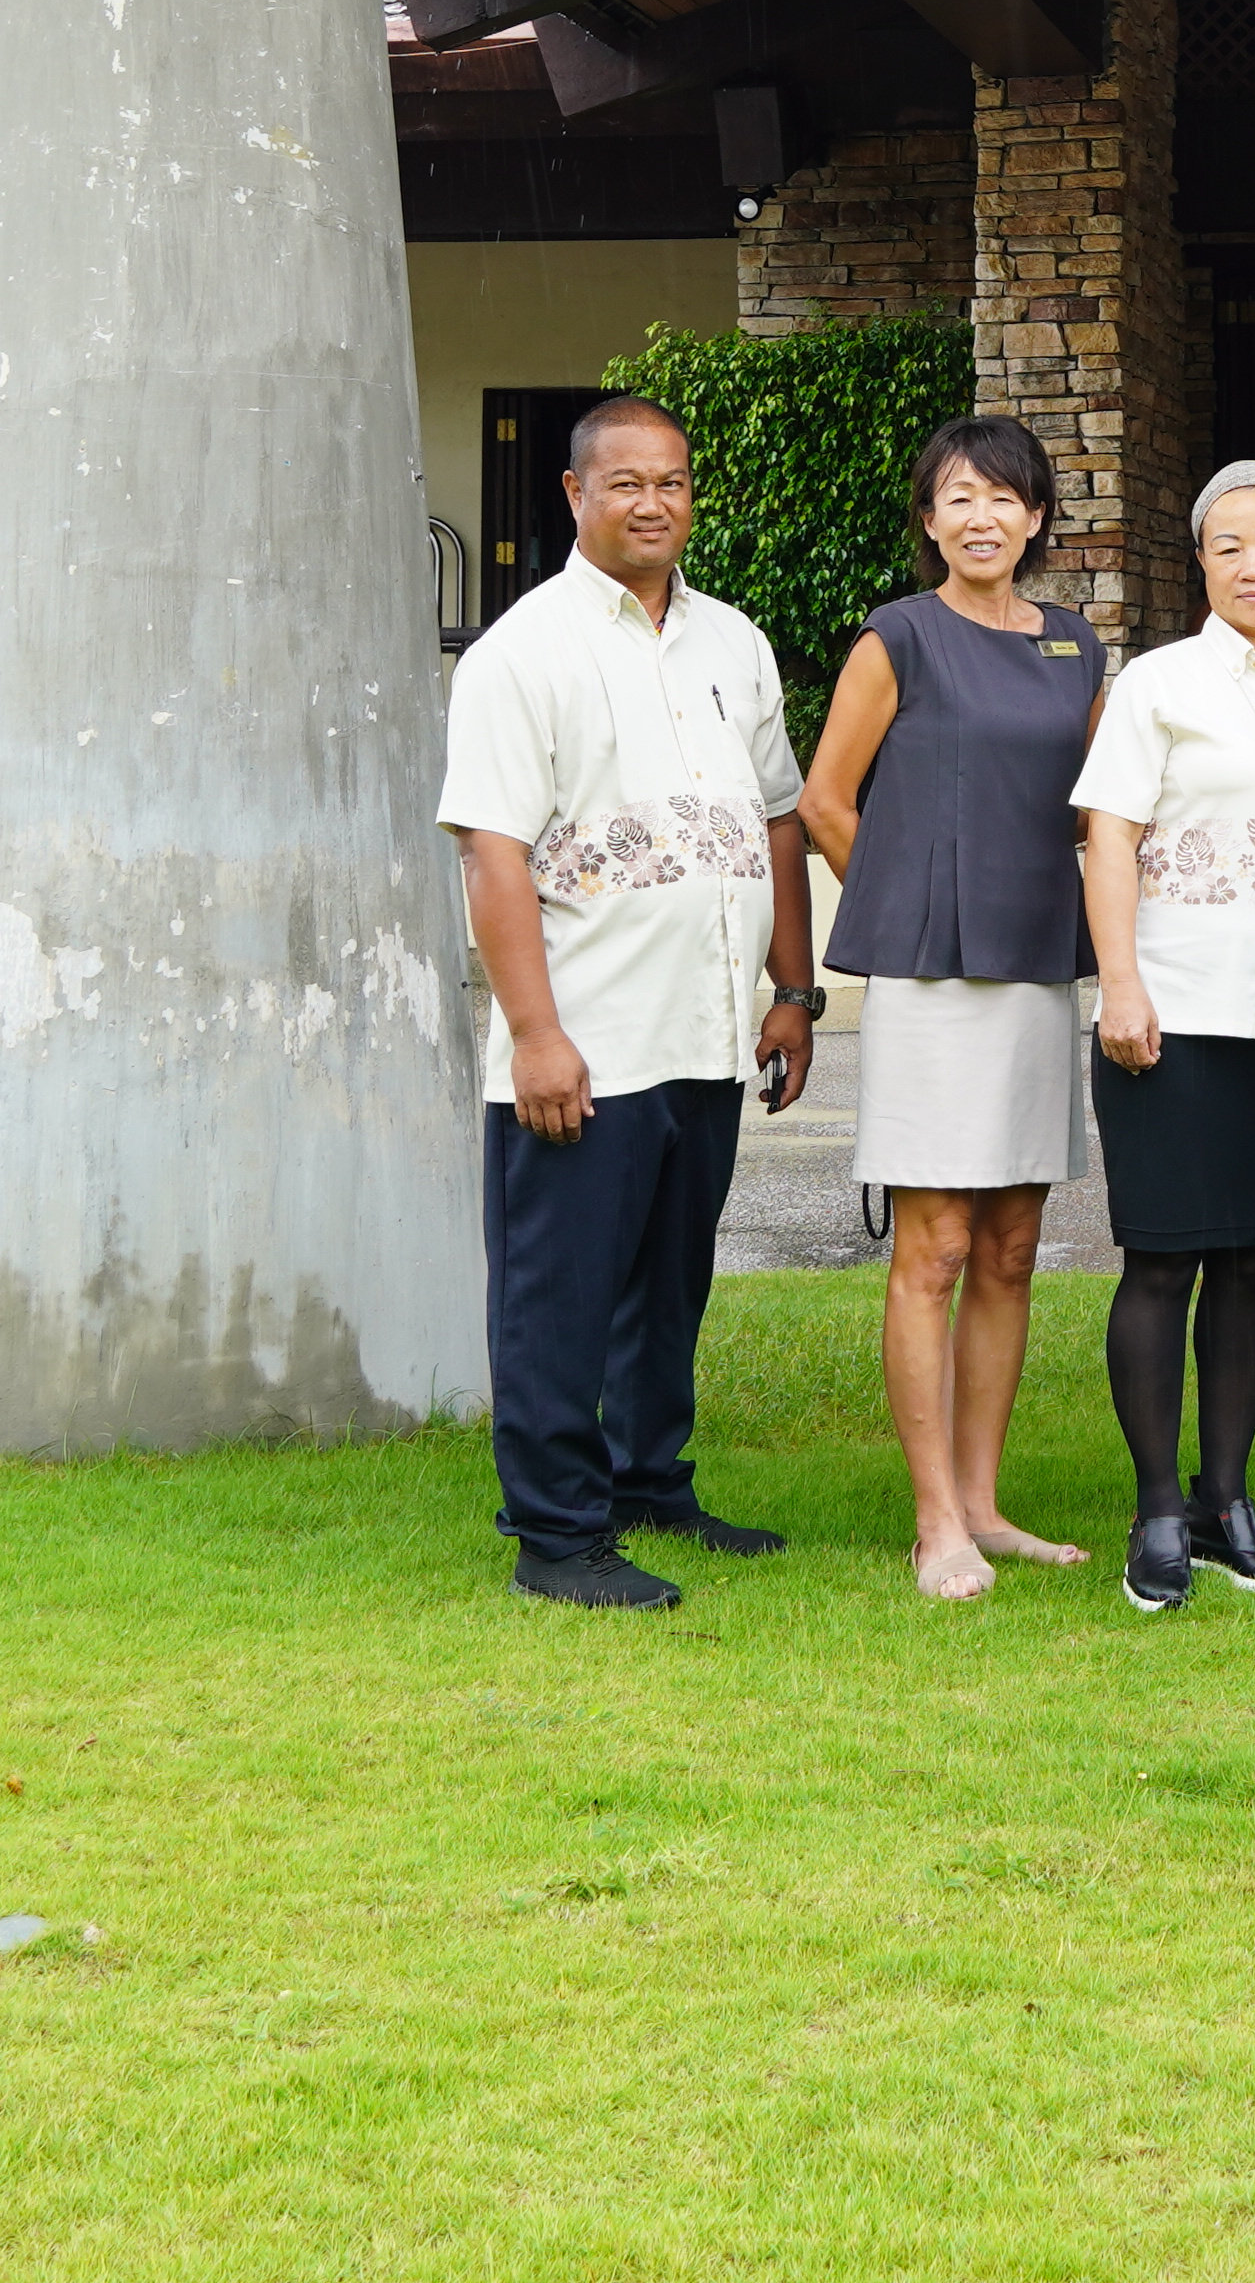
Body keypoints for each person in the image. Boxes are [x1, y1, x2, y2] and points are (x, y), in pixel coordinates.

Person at [439, 389, 816, 1614]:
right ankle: (556, 1534)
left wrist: (793, 992)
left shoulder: (734, 643)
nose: (653, 502)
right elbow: (492, 857)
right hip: (584, 1046)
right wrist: (538, 1035)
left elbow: (776, 821)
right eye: (626, 482)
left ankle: (651, 1483)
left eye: (673, 481)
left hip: (704, 1033)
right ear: (576, 495)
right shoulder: (521, 654)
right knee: (558, 1299)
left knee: (669, 1282)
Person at [799, 412, 1106, 1604]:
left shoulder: (1075, 647)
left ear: (1036, 518)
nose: (982, 517)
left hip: (1037, 968)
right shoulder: (900, 636)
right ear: (929, 518)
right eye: (957, 497)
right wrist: (915, 903)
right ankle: (936, 1523)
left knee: (1014, 1247)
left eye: (1005, 497)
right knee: (931, 1246)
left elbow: (1096, 814)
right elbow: (829, 800)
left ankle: (986, 1502)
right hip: (934, 980)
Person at [1065, 459, 1255, 1612]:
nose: (1254, 563)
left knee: (1249, 1261)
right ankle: (1156, 1511)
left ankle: (1227, 1500)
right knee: (1165, 1256)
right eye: (1229, 544)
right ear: (1201, 562)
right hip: (1171, 1011)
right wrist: (1121, 981)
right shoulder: (1159, 685)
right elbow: (1108, 838)